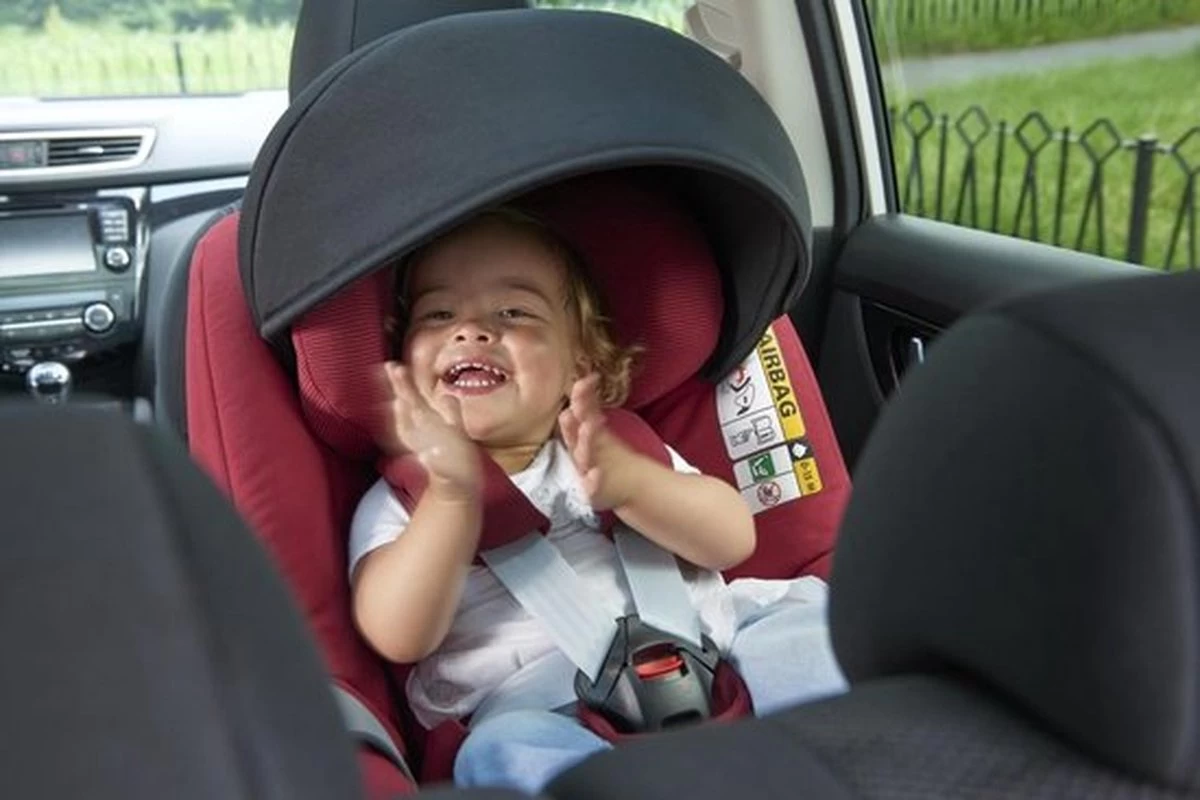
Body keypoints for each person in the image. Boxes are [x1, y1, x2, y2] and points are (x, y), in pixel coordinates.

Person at [348, 208, 846, 794]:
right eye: (438, 313)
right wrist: (454, 500)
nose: (471, 330)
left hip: (718, 651)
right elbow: (396, 632)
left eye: (513, 311)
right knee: (500, 759)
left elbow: (733, 539)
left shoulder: (618, 447)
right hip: (544, 706)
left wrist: (635, 487)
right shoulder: (409, 497)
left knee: (818, 638)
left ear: (578, 361)